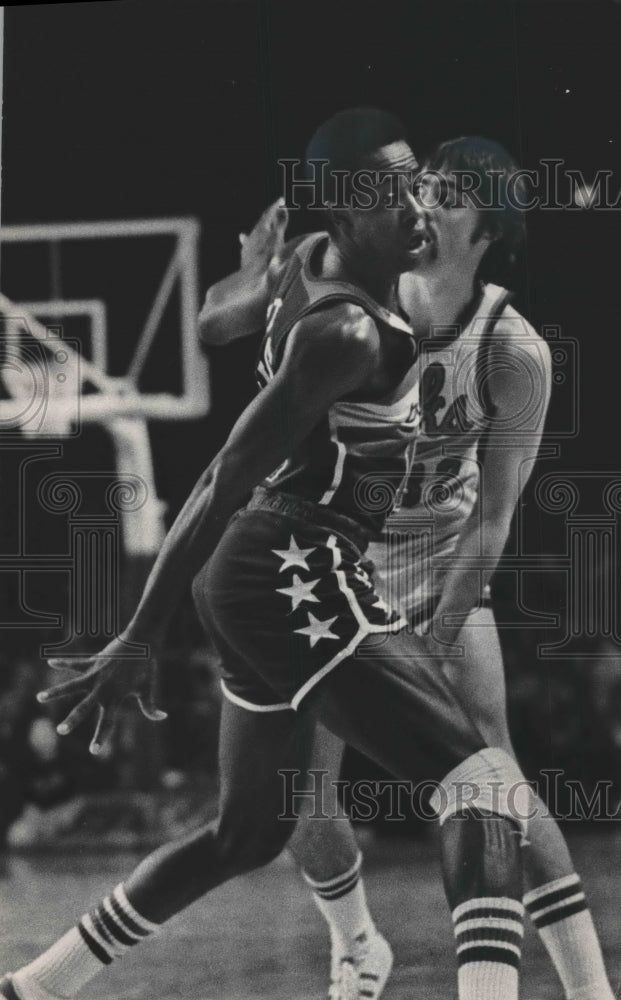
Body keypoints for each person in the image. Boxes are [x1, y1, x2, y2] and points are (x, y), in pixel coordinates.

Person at [2, 110, 530, 1000]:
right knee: (482, 789)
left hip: (257, 577)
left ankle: (36, 986)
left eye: (416, 187)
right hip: (292, 564)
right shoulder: (348, 333)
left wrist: (248, 278)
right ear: (345, 215)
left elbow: (212, 322)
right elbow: (221, 474)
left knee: (245, 835)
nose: (414, 209)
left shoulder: (308, 264)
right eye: (393, 193)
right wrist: (140, 632)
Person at [198, 134, 616, 1000]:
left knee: (495, 771)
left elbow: (493, 520)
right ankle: (357, 948)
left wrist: (432, 632)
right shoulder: (349, 279)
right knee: (301, 802)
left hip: (438, 560)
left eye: (450, 194)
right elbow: (219, 318)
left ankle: (589, 989)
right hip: (326, 556)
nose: (424, 204)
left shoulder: (512, 350)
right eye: (421, 185)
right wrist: (253, 275)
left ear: (489, 227)